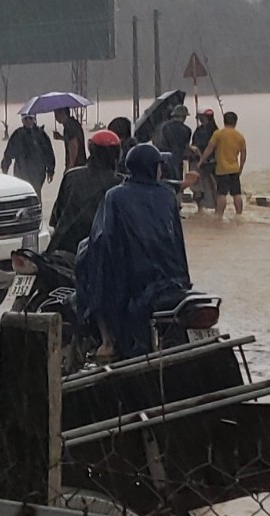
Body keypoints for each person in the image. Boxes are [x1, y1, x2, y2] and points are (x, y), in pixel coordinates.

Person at [75, 143, 191, 360]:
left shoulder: (116, 196)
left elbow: (103, 237)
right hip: (170, 277)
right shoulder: (166, 195)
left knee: (92, 272)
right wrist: (184, 278)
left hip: (137, 277)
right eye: (158, 166)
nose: (160, 171)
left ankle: (107, 340)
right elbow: (177, 239)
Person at [48, 128, 124, 257]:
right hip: (99, 250)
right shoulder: (120, 183)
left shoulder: (71, 176)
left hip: (63, 246)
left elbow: (57, 216)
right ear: (117, 155)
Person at [206, 110, 249, 216]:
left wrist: (201, 160)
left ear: (224, 121)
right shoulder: (240, 136)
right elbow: (243, 154)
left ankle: (219, 215)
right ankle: (239, 214)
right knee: (237, 194)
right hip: (234, 169)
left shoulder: (218, 134)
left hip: (221, 169)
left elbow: (209, 149)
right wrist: (241, 168)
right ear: (236, 122)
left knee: (222, 194)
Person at [0, 112, 56, 192]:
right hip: (21, 172)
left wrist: (51, 170)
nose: (28, 121)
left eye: (30, 118)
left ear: (34, 119)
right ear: (22, 120)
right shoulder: (18, 134)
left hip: (38, 172)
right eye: (25, 119)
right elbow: (8, 153)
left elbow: (48, 153)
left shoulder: (41, 134)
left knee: (35, 193)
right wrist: (5, 167)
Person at [155, 105, 193, 188]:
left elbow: (158, 142)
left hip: (162, 160)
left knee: (163, 183)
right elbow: (186, 147)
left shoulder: (162, 127)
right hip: (177, 161)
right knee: (177, 184)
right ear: (184, 117)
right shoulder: (187, 130)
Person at [54, 106, 85, 172]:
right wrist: (61, 137)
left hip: (77, 164)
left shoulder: (69, 125)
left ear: (63, 113)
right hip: (80, 164)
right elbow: (71, 139)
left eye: (56, 114)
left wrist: (70, 165)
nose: (56, 118)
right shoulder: (72, 123)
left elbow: (73, 144)